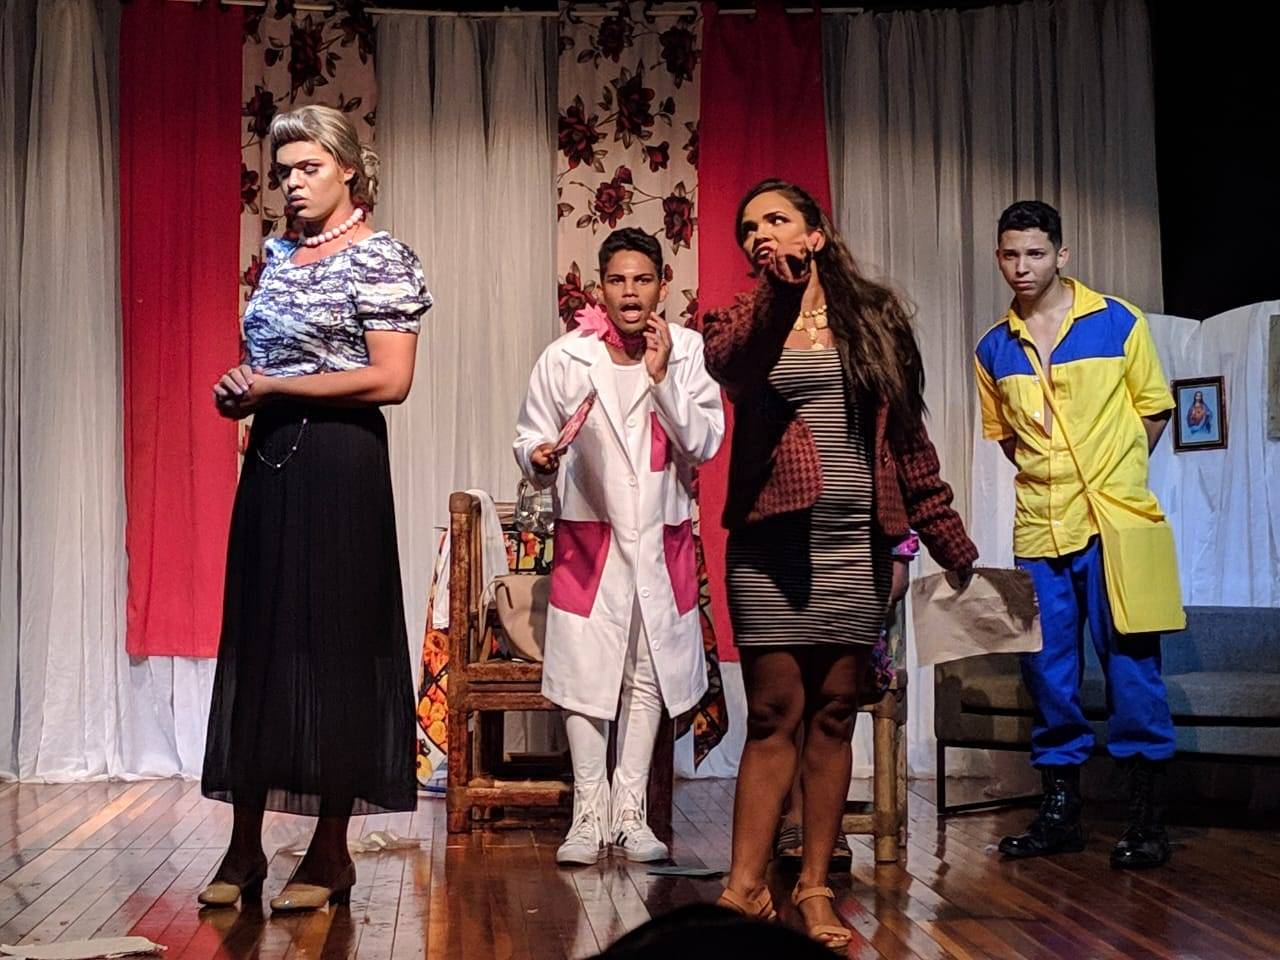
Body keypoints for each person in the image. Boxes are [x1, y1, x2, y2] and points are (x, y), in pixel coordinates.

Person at [700, 180, 976, 950]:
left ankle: (816, 888)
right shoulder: (740, 319)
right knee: (773, 713)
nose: (761, 233)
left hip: (856, 545)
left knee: (833, 713)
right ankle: (744, 888)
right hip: (770, 550)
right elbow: (733, 365)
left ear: (815, 233)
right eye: (749, 228)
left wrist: (947, 539)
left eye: (777, 219)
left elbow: (909, 444)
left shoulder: (876, 322)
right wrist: (780, 294)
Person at [199, 105, 431, 911]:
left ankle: (330, 853)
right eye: (284, 171)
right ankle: (243, 849)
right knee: (261, 641)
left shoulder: (381, 257)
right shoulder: (278, 256)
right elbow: (267, 361)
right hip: (272, 458)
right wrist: (242, 388)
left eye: (309, 168)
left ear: (349, 171)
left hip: (341, 463)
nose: (292, 184)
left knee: (335, 647)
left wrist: (275, 386)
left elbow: (391, 379)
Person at [975, 200, 1176, 869]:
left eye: (1035, 253)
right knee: (1047, 673)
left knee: (1132, 667)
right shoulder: (992, 347)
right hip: (1040, 529)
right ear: (998, 258)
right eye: (1011, 254)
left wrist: (1115, 476)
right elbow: (1007, 439)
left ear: (1061, 254)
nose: (1022, 267)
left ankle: (1147, 819)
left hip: (1115, 525)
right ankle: (1060, 813)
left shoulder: (1119, 321)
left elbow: (1154, 411)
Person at [514, 228, 725, 866]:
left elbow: (704, 442)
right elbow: (530, 435)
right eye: (617, 280)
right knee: (585, 674)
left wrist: (661, 380)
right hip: (590, 537)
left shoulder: (687, 351)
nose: (630, 293)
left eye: (642, 279)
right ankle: (588, 812)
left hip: (661, 538)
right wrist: (538, 457)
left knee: (647, 670)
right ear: (599, 289)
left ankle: (631, 812)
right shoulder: (566, 357)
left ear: (662, 285)